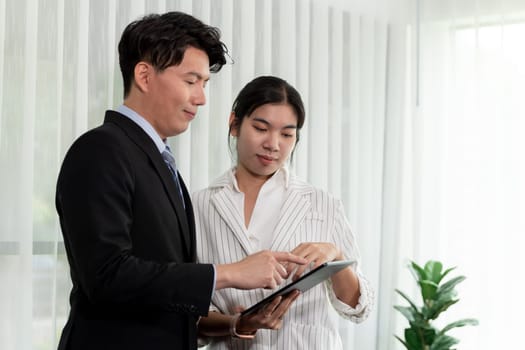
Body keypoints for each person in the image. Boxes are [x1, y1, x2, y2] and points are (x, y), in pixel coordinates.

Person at [55, 13, 306, 350]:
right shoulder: (99, 149)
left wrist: (235, 323)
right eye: (191, 81)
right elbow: (107, 276)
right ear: (144, 75)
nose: (201, 98)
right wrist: (228, 273)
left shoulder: (159, 160)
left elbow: (164, 286)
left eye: (204, 83)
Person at [193, 76, 374, 349]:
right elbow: (189, 313)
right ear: (234, 124)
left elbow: (359, 308)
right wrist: (237, 323)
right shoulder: (198, 206)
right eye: (261, 128)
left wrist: (335, 256)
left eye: (287, 134)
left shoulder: (322, 204)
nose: (273, 144)